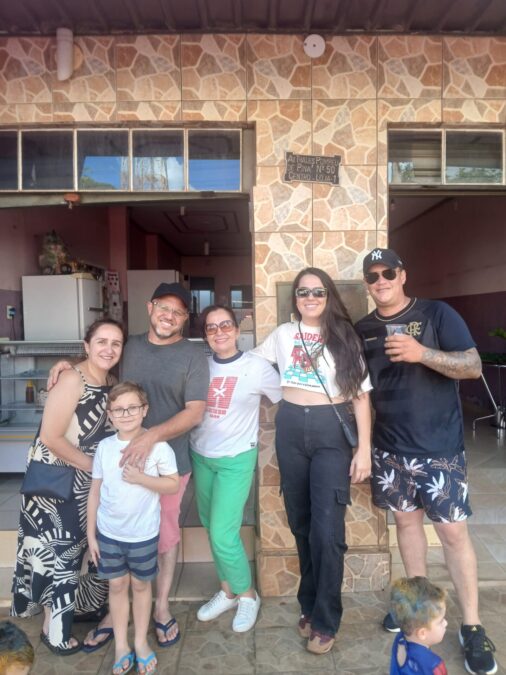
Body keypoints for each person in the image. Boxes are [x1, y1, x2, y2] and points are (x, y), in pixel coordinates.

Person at [355, 248, 497, 675]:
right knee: (406, 526)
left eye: (387, 272)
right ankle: (416, 613)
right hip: (389, 450)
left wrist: (423, 354)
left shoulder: (437, 314)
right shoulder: (363, 329)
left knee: (453, 534)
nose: (380, 281)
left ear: (402, 275)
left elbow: (472, 366)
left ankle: (471, 625)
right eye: (372, 276)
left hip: (439, 451)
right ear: (367, 284)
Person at [48, 282, 209, 650]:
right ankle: (114, 611)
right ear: (150, 308)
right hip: (118, 461)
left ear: (185, 318)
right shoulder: (129, 345)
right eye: (163, 307)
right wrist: (67, 365)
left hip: (168, 463)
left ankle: (161, 607)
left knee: (164, 538)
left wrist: (150, 438)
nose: (169, 316)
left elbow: (195, 412)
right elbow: (98, 364)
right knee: (115, 532)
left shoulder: (192, 355)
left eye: (178, 311)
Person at [252, 267, 372, 654]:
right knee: (301, 524)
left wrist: (363, 449)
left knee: (327, 531)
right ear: (296, 298)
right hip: (290, 426)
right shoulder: (283, 335)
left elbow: (361, 397)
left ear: (328, 296)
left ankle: (325, 619)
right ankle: (309, 604)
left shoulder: (345, 336)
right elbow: (250, 365)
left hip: (330, 432)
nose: (310, 298)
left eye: (318, 292)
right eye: (303, 292)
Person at [12, 319, 124, 655]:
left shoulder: (110, 382)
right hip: (58, 482)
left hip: (88, 483)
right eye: (101, 341)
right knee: (59, 552)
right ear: (87, 346)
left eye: (116, 343)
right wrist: (94, 467)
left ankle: (81, 607)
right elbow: (50, 436)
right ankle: (53, 629)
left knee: (83, 549)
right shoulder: (73, 379)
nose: (108, 349)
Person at [191, 305, 282, 632]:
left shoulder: (256, 367)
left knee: (222, 532)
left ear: (237, 330)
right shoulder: (199, 365)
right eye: (211, 327)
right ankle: (228, 591)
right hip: (200, 454)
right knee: (210, 527)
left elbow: (286, 399)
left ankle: (247, 595)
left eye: (225, 325)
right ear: (205, 335)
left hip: (236, 459)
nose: (219, 332)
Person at [87, 381, 179, 675]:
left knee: (140, 586)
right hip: (109, 534)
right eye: (118, 409)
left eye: (132, 408)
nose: (126, 414)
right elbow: (95, 491)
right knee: (116, 586)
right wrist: (91, 534)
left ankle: (140, 642)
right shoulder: (104, 448)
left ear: (144, 410)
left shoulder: (158, 447)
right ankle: (121, 646)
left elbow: (172, 484)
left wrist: (142, 479)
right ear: (110, 415)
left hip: (143, 535)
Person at [390, 577, 448, 675]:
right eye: (440, 621)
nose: (446, 623)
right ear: (422, 633)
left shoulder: (399, 639)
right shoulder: (434, 665)